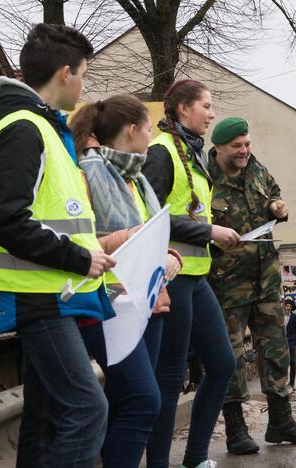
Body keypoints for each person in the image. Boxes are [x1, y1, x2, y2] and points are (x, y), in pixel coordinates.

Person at [0, 23, 115, 466]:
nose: (84, 83)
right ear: (65, 73)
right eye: (84, 73)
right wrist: (78, 257)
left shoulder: (43, 128)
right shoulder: (25, 129)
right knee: (87, 407)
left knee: (40, 418)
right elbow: (6, 220)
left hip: (53, 290)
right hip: (42, 296)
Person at [70, 95, 185, 467]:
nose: (152, 136)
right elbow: (81, 245)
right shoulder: (88, 173)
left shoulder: (134, 176)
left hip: (148, 300)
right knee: (143, 401)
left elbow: (154, 233)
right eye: (149, 128)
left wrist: (170, 257)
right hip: (111, 302)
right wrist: (134, 239)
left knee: (126, 400)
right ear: (132, 130)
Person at [207, 116, 296, 455]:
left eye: (247, 144)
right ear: (219, 148)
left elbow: (273, 197)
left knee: (276, 349)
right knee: (232, 356)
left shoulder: (257, 169)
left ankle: (280, 422)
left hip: (267, 278)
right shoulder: (204, 177)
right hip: (228, 283)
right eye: (236, 146)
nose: (244, 151)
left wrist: (277, 207)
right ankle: (236, 430)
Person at [142, 80, 237, 468]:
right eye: (206, 106)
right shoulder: (162, 152)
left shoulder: (192, 152)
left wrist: (218, 233)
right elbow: (151, 217)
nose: (212, 114)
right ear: (183, 109)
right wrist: (208, 231)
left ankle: (195, 457)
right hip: (171, 278)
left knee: (223, 365)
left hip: (196, 275)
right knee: (169, 376)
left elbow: (192, 210)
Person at [284, 298, 296, 390]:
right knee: (282, 363)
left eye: (290, 307)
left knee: (292, 362)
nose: (288, 308)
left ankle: (292, 383)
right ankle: (283, 383)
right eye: (286, 306)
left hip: (291, 342)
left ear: (292, 308)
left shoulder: (295, 317)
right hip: (281, 343)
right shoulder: (279, 317)